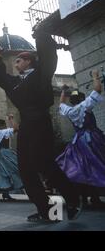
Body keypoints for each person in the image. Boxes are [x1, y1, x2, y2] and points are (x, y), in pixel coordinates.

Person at [0, 33, 81, 222]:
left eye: (18, 60)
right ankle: (46, 210)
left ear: (29, 61)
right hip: (26, 125)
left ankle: (73, 199)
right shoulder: (16, 82)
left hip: (40, 121)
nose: (15, 64)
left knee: (43, 163)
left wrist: (41, 34)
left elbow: (48, 56)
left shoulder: (41, 73)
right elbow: (1, 78)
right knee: (25, 168)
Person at [56, 70, 105, 208]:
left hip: (78, 141)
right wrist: (95, 76)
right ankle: (95, 198)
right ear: (82, 99)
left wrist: (64, 91)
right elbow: (97, 90)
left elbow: (60, 104)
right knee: (96, 165)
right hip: (92, 139)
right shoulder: (85, 106)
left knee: (82, 168)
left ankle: (84, 198)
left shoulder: (70, 111)